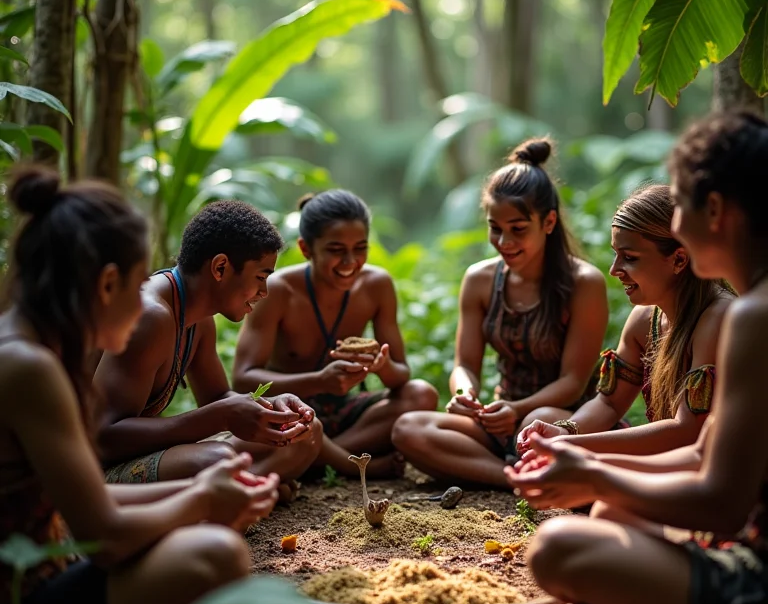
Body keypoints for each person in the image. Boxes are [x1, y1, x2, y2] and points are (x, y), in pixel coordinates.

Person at [506, 111, 768, 604]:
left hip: (755, 580)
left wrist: (593, 471)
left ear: (714, 211)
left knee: (557, 547)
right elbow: (701, 454)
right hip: (733, 537)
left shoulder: (745, 317)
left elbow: (724, 503)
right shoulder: (689, 316)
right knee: (608, 511)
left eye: (680, 203)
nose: (677, 220)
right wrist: (578, 453)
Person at [0, 167, 279, 604]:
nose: (146, 298)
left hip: (46, 562)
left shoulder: (32, 351)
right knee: (216, 554)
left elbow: (80, 505)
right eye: (138, 284)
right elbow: (105, 537)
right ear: (109, 284)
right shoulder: (28, 368)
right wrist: (199, 499)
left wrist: (202, 490)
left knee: (203, 526)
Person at [392, 138, 608, 487]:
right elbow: (465, 365)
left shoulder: (584, 283)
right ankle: (516, 478)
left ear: (549, 222)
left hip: (560, 420)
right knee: (408, 428)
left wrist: (519, 410)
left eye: (518, 229)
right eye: (496, 228)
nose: (505, 242)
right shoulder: (479, 280)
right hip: (499, 419)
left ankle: (515, 466)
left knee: (537, 420)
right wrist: (465, 394)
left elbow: (572, 383)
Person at [95, 201, 322, 490]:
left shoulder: (198, 319)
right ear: (220, 267)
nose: (264, 292)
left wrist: (270, 408)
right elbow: (104, 438)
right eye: (260, 277)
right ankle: (244, 491)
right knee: (217, 461)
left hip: (141, 454)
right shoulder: (150, 316)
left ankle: (244, 491)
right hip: (92, 471)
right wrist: (222, 416)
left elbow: (217, 397)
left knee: (306, 435)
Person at [517, 184, 733, 466]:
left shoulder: (718, 318)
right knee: (544, 427)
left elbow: (687, 431)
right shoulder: (644, 321)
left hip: (715, 470)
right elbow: (609, 403)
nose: (614, 270)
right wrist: (565, 432)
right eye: (616, 254)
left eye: (629, 258)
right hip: (671, 463)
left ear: (679, 259)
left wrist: (572, 446)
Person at [232, 190, 438, 479]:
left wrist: (382, 366)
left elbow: (401, 375)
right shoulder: (278, 290)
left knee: (421, 395)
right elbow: (243, 379)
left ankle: (315, 458)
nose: (350, 261)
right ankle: (350, 463)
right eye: (336, 250)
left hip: (344, 413)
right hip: (291, 411)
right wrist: (319, 381)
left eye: (360, 248)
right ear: (306, 249)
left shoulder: (376, 285)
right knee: (289, 422)